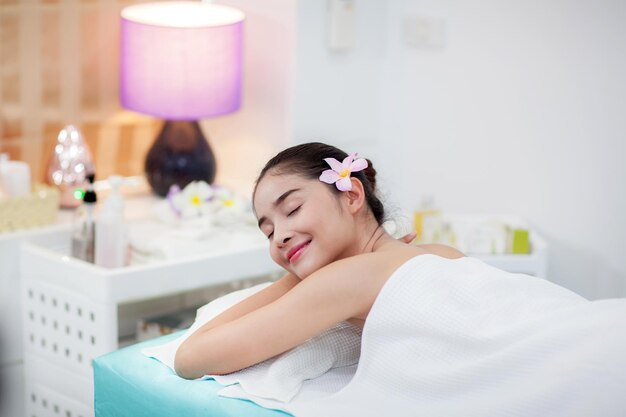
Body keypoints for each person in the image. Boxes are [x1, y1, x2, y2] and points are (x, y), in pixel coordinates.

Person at [175, 142, 464, 379]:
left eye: (293, 209)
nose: (279, 239)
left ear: (351, 195)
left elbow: (190, 359)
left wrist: (300, 278)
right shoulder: (439, 252)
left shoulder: (349, 278)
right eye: (269, 232)